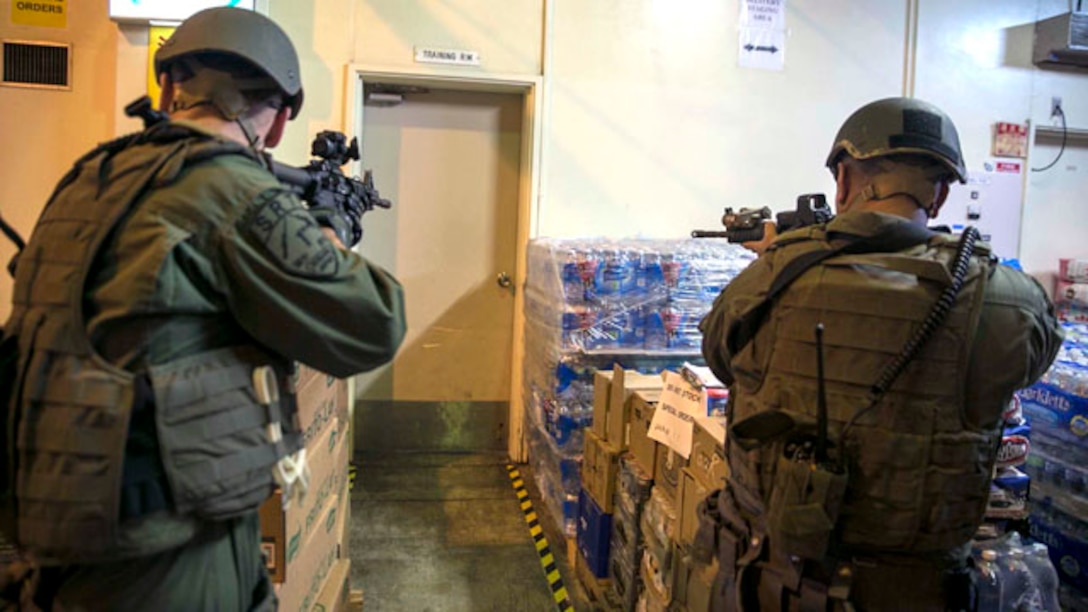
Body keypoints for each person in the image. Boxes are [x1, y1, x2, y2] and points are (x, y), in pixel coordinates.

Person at [0, 7, 406, 611]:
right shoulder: (235, 192)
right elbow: (373, 324)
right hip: (164, 547)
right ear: (277, 125)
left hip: (49, 530)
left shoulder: (88, 178)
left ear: (166, 90)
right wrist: (328, 234)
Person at [697, 97, 1063, 610]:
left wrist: (785, 259)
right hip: (912, 593)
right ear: (937, 196)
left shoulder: (766, 279)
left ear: (843, 182)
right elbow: (1034, 356)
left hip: (767, 579)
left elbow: (719, 356)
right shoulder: (1005, 300)